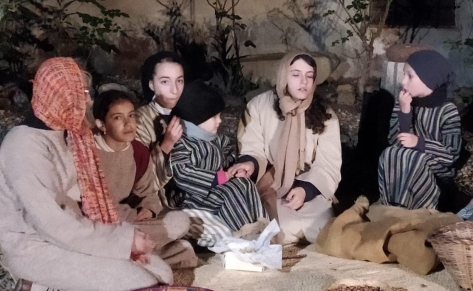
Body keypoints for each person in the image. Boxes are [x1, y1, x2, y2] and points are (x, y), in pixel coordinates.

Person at [0, 58, 172, 291]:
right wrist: (122, 242)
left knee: (163, 274)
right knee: (140, 284)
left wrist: (122, 238)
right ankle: (39, 287)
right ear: (60, 96)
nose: (87, 101)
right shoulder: (23, 146)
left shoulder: (70, 133)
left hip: (73, 236)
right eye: (82, 93)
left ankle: (89, 289)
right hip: (36, 247)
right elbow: (54, 225)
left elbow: (84, 207)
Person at [237, 52, 342, 244]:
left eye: (309, 76)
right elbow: (252, 148)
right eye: (295, 74)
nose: (303, 82)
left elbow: (329, 163)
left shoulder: (326, 115)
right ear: (284, 75)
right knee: (269, 227)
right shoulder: (259, 106)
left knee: (322, 228)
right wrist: (250, 165)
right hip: (270, 186)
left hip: (308, 189)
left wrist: (306, 190)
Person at [92, 89, 197, 270]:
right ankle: (157, 256)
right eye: (118, 118)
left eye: (131, 116)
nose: (128, 123)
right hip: (100, 225)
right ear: (101, 124)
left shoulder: (138, 152)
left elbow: (148, 191)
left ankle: (130, 257)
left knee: (180, 220)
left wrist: (149, 208)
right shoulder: (89, 154)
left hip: (131, 222)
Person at [169, 81, 266, 233]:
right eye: (214, 117)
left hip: (218, 190)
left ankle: (262, 226)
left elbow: (228, 152)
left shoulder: (216, 139)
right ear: (197, 119)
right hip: (195, 199)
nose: (219, 121)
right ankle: (245, 233)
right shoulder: (184, 144)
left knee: (244, 184)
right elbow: (180, 172)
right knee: (231, 192)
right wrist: (216, 178)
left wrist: (234, 169)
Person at [377, 49, 462, 209]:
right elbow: (395, 141)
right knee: (389, 153)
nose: (403, 82)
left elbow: (452, 154)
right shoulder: (404, 102)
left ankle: (415, 210)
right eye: (404, 75)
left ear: (428, 78)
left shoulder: (447, 110)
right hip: (406, 160)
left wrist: (420, 143)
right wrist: (404, 112)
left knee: (414, 158)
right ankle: (390, 206)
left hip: (437, 169)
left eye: (410, 76)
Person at [134, 52, 186, 207]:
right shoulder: (139, 121)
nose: (175, 90)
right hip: (158, 203)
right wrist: (167, 144)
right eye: (165, 82)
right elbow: (140, 182)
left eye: (180, 81)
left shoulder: (191, 114)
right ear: (151, 84)